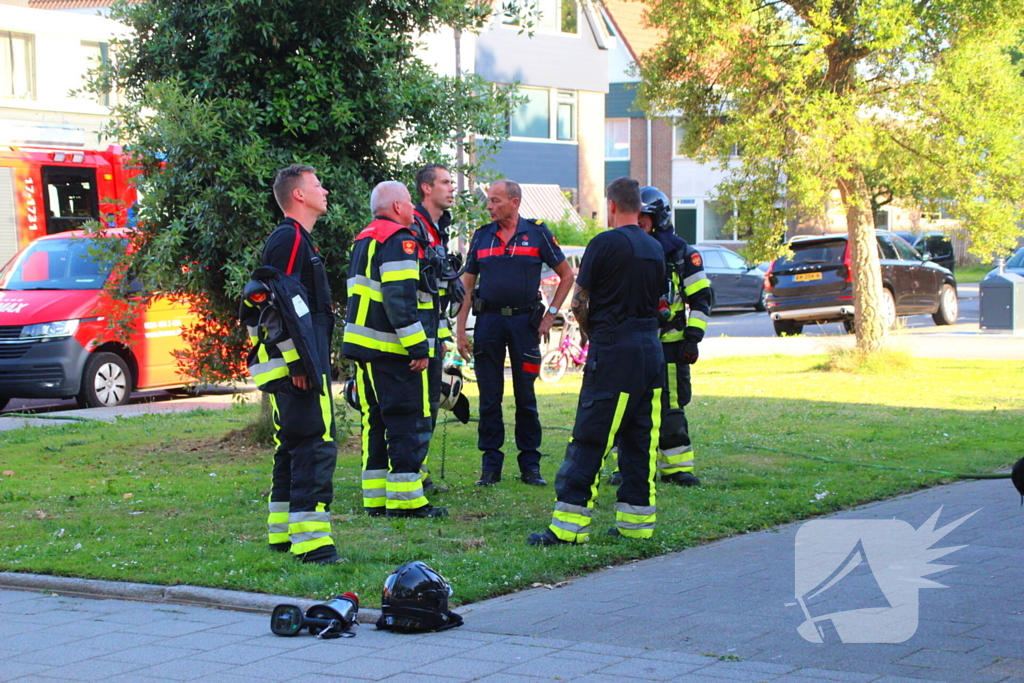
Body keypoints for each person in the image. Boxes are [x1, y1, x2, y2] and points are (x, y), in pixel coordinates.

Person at [528, 177, 665, 546]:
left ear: (612, 206)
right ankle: (637, 526)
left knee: (590, 438)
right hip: (651, 352)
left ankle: (568, 529)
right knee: (640, 442)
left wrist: (594, 338)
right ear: (639, 207)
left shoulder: (604, 244)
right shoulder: (655, 248)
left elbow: (580, 303)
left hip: (614, 352)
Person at [455, 180, 574, 487]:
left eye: (495, 201)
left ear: (515, 202)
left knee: (526, 396)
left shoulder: (537, 233)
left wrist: (550, 316)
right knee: (490, 399)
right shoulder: (481, 237)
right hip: (489, 323)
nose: (490, 206)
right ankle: (490, 468)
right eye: (489, 201)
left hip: (525, 325)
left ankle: (530, 467)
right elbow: (467, 287)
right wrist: (460, 330)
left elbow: (566, 275)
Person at [343, 181, 447, 518]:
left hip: (364, 345)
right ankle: (406, 501)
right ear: (400, 207)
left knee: (376, 419)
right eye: (409, 205)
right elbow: (400, 299)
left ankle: (375, 498)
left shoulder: (365, 237)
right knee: (404, 418)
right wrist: (418, 346)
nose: (413, 212)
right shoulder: (399, 239)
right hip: (390, 347)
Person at [262, 164, 340, 565]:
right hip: (297, 364)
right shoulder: (290, 240)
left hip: (295, 362)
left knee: (293, 443)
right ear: (298, 195)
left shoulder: (296, 240)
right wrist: (299, 365)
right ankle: (312, 543)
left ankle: (283, 535)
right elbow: (281, 308)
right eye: (317, 185)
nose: (324, 191)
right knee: (314, 442)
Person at [610, 187, 712, 486]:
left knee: (671, 409)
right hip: (632, 345)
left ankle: (676, 468)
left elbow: (702, 299)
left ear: (660, 218)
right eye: (636, 215)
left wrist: (693, 337)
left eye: (646, 216)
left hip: (669, 346)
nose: (639, 221)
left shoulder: (681, 253)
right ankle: (628, 467)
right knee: (627, 407)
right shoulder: (626, 249)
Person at [412, 164, 461, 492]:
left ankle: (418, 470)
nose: (452, 188)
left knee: (430, 402)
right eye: (445, 183)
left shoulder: (438, 227)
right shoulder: (414, 225)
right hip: (415, 334)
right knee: (418, 405)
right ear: (427, 188)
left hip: (433, 333)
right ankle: (412, 473)